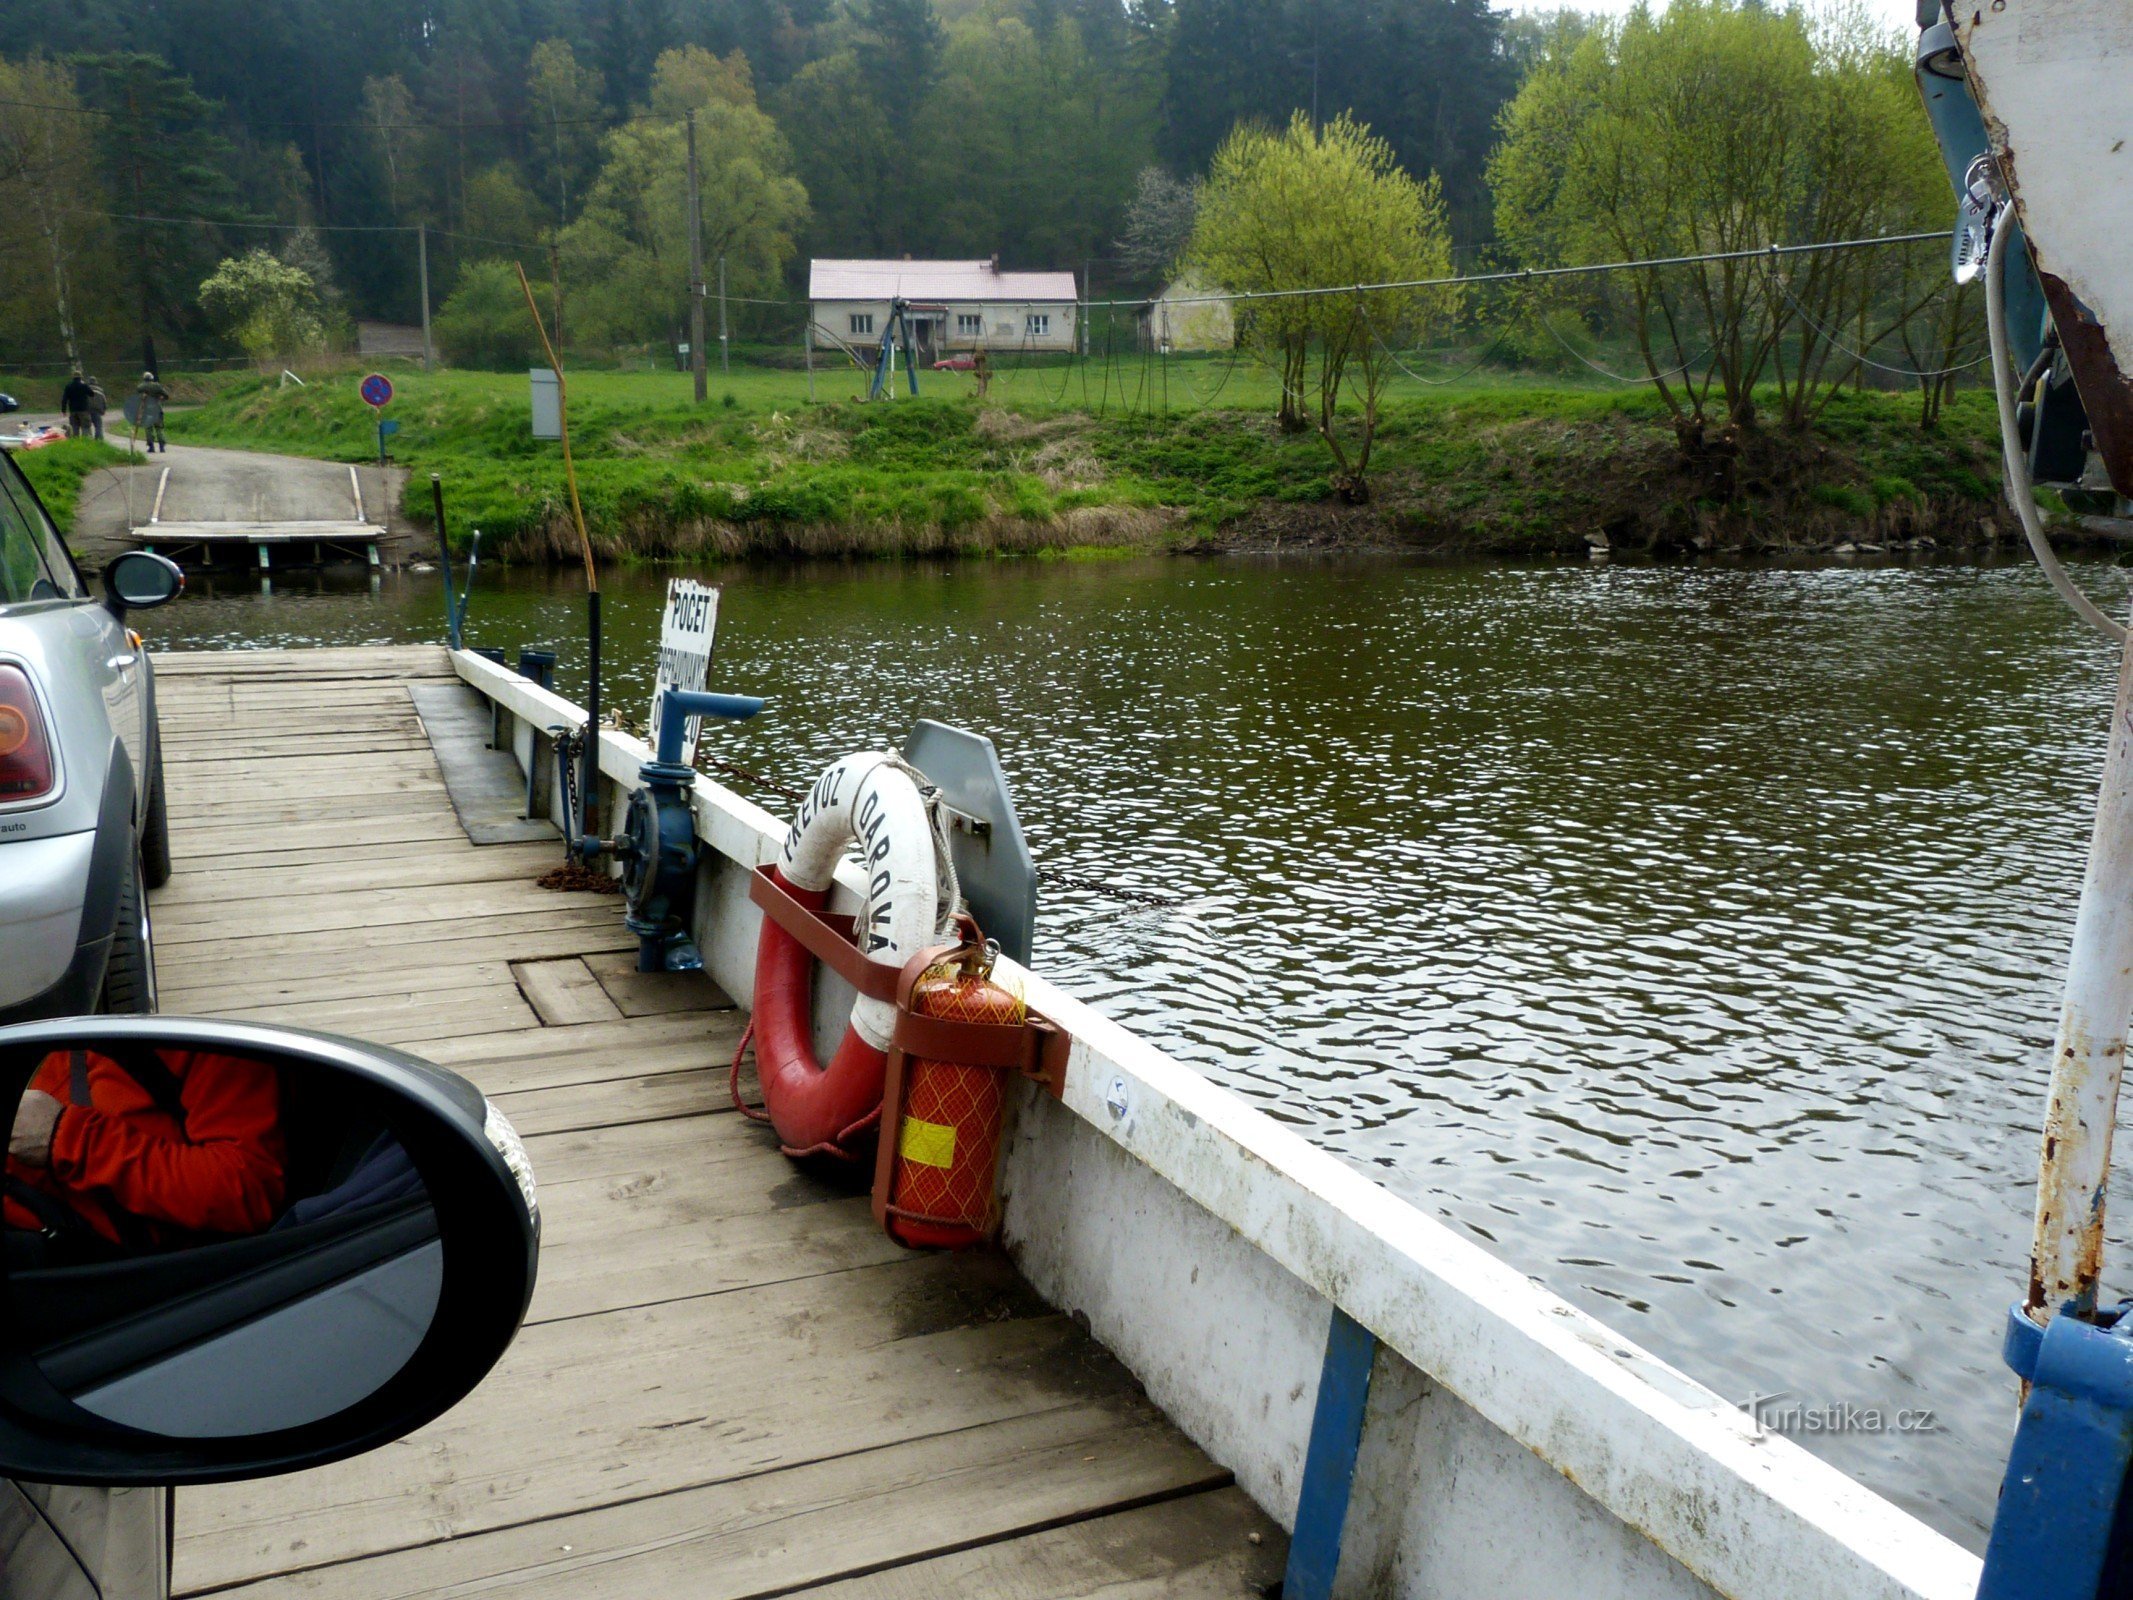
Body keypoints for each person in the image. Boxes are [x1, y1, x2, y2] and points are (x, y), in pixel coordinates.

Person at [5, 1045, 286, 1256]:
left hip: (100, 1264)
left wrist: (66, 1138)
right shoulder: (85, 1006)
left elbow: (247, 1187)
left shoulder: (213, 1045)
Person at [135, 370, 169, 453]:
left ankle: (151, 446)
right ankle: (162, 446)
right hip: (157, 409)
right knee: (159, 428)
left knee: (148, 428)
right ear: (151, 378)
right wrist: (161, 398)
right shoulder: (157, 386)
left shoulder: (140, 387)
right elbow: (166, 395)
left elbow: (139, 395)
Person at [60, 370, 91, 439]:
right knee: (85, 427)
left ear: (73, 377)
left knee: (75, 428)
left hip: (73, 410)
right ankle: (85, 442)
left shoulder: (68, 386)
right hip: (84, 410)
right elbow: (91, 394)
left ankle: (76, 442)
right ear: (81, 377)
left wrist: (63, 410)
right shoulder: (84, 385)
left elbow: (64, 399)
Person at [85, 376, 107, 441]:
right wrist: (104, 410)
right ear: (96, 382)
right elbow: (104, 401)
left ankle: (87, 440)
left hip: (87, 411)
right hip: (97, 411)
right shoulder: (100, 390)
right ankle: (99, 440)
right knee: (98, 426)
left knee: (86, 426)